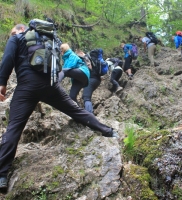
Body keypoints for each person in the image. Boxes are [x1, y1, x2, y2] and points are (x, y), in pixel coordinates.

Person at [0, 24, 119, 189]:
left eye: (13, 31)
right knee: (75, 110)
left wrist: (2, 83)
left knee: (14, 127)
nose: (12, 34)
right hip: (50, 85)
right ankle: (109, 132)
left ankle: (2, 176)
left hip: (26, 87)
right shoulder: (46, 39)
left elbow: (7, 60)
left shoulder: (17, 38)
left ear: (20, 29)